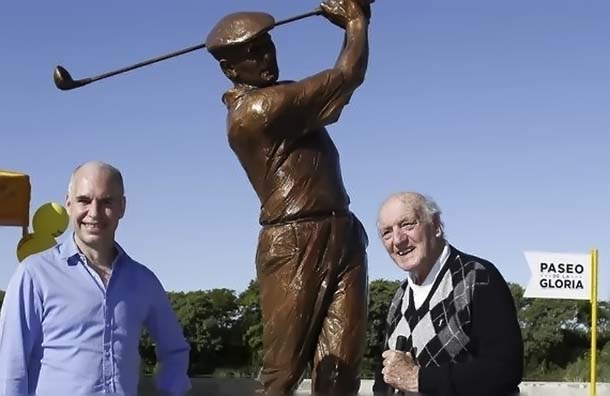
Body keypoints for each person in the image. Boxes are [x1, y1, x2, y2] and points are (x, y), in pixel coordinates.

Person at [205, 0, 371, 395]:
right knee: (282, 374)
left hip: (341, 230)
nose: (265, 57)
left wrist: (356, 23)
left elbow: (333, 103)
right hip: (294, 240)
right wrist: (354, 22)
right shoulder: (259, 110)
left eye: (267, 45)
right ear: (230, 70)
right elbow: (347, 75)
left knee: (341, 368)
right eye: (251, 53)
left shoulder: (283, 99)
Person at [0, 161, 191, 396]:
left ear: (122, 207)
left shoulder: (144, 281)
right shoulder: (34, 275)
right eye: (84, 200)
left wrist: (172, 389)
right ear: (69, 204)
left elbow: (175, 350)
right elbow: (10, 366)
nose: (94, 212)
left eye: (106, 201)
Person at [373, 192, 523, 396]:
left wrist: (419, 379)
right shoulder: (400, 296)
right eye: (387, 232)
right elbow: (384, 378)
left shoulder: (477, 277)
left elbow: (504, 370)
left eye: (407, 224)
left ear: (436, 226)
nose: (398, 240)